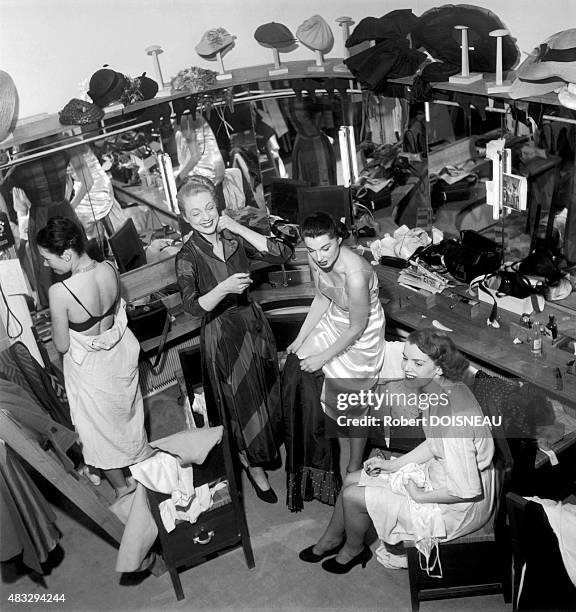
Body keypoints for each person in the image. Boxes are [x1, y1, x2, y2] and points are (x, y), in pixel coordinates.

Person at [299, 328, 495, 574]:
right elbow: (434, 444)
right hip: (444, 475)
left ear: (438, 368)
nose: (407, 368)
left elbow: (466, 490)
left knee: (352, 496)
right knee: (352, 479)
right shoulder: (440, 389)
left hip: (457, 507)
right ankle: (332, 539)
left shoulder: (453, 418)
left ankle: (353, 548)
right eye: (405, 358)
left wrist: (419, 496)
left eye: (418, 362)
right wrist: (393, 466)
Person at [175, 175, 293, 503]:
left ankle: (265, 449)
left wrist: (240, 228)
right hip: (223, 334)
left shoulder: (232, 237)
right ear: (185, 218)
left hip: (253, 324)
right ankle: (253, 465)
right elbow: (193, 307)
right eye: (195, 213)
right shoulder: (187, 256)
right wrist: (223, 288)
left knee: (266, 392)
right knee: (241, 404)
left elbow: (282, 252)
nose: (206, 217)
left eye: (210, 208)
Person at [36, 217, 150, 496]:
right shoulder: (109, 268)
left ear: (66, 254)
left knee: (98, 431)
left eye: (47, 258)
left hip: (91, 370)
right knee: (126, 418)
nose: (45, 265)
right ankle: (141, 471)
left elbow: (62, 345)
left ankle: (123, 489)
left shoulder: (60, 292)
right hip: (118, 359)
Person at [286, 212, 386, 474]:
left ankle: (354, 464)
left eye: (326, 247)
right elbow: (321, 298)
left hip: (361, 333)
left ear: (339, 239)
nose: (319, 256)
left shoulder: (356, 274)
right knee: (296, 366)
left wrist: (322, 357)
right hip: (334, 320)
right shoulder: (314, 258)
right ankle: (318, 443)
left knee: (354, 402)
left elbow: (357, 327)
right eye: (312, 249)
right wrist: (300, 338)